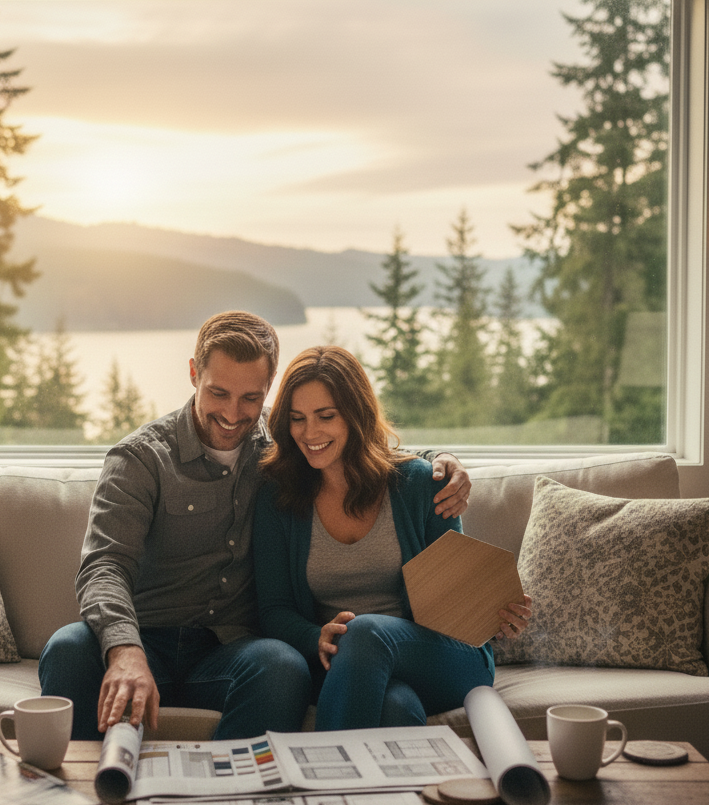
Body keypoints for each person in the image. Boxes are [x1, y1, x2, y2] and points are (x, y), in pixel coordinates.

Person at [39, 312, 473, 742]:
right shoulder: (140, 460)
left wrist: (441, 460)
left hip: (228, 651)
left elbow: (359, 444)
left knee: (282, 666)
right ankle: (87, 792)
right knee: (67, 648)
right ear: (194, 374)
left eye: (250, 398)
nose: (232, 413)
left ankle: (237, 794)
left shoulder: (280, 444)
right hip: (145, 636)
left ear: (268, 389)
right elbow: (104, 567)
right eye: (218, 392)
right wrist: (125, 651)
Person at [253, 345, 532, 733]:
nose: (309, 433)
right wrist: (314, 636)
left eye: (326, 416)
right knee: (396, 706)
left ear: (355, 414)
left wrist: (495, 613)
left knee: (364, 631)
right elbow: (274, 608)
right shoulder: (277, 496)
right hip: (343, 667)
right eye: (298, 419)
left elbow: (459, 588)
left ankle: (325, 779)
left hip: (440, 655)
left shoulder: (418, 484)